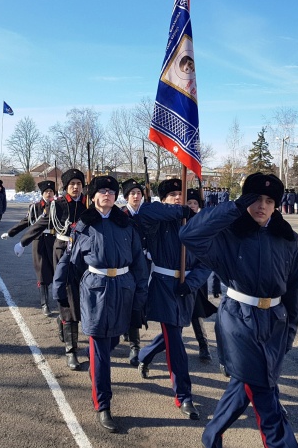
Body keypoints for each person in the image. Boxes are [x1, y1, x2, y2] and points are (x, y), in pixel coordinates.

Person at [179, 172, 298, 448]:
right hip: (239, 321)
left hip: (274, 321)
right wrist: (234, 208)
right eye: (254, 199)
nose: (262, 206)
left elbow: (293, 289)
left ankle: (211, 435)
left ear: (276, 206)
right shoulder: (228, 235)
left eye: (269, 200)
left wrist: (290, 332)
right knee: (266, 397)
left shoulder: (287, 241)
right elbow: (188, 235)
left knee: (244, 386)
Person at [53, 175, 148, 433]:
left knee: (112, 341)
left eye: (111, 191)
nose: (107, 194)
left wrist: (141, 296)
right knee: (100, 346)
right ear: (93, 196)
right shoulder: (84, 225)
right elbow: (70, 260)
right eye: (101, 191)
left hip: (123, 290)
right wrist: (58, 286)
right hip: (95, 290)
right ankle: (103, 404)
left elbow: (139, 262)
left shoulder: (126, 224)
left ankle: (96, 366)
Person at [136, 178, 210, 420]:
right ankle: (184, 395)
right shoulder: (157, 221)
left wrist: (191, 283)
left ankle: (145, 355)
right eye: (173, 195)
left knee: (174, 334)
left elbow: (206, 260)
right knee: (176, 342)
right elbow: (146, 211)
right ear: (164, 199)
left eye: (181, 194)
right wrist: (178, 210)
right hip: (163, 287)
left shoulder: (195, 224)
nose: (178, 197)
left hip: (186, 288)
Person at [17, 169, 88, 369]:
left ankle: (63, 321)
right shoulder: (57, 205)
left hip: (85, 254)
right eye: (72, 183)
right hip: (62, 252)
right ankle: (71, 350)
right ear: (66, 186)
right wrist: (22, 242)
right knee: (68, 299)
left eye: (79, 183)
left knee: (82, 298)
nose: (76, 187)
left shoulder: (89, 205)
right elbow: (42, 223)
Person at [2, 180, 58, 315]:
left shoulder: (58, 206)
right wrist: (11, 233)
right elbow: (26, 222)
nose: (49, 194)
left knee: (57, 271)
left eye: (51, 192)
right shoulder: (35, 207)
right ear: (42, 194)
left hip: (55, 242)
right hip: (39, 241)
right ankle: (45, 304)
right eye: (46, 192)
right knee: (42, 273)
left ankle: (61, 302)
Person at [119, 178, 149, 365]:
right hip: (128, 264)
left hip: (147, 262)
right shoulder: (121, 216)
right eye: (132, 193)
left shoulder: (148, 213)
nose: (136, 196)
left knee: (141, 300)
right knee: (130, 301)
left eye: (138, 193)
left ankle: (132, 338)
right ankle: (134, 345)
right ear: (126, 197)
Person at [186, 187, 217, 363]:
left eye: (195, 203)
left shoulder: (203, 222)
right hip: (181, 272)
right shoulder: (178, 220)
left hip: (198, 274)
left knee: (196, 312)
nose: (191, 205)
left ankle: (203, 345)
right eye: (189, 202)